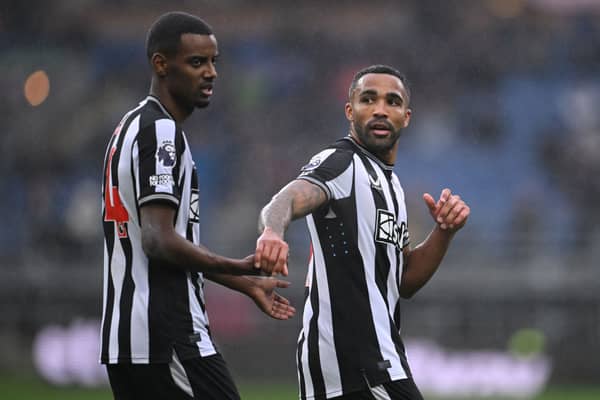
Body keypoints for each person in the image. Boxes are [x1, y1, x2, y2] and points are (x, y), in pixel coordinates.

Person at [100, 12, 294, 400]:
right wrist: (235, 266)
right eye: (196, 62)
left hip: (131, 339)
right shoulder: (160, 130)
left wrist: (244, 284)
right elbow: (158, 241)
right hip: (168, 335)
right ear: (161, 64)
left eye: (213, 62)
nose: (211, 73)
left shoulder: (131, 127)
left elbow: (168, 242)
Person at [255, 65, 470, 400]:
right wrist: (272, 231)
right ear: (350, 110)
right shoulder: (341, 163)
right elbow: (286, 198)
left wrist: (443, 232)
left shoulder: (393, 187)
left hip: (372, 361)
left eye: (392, 101)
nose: (380, 109)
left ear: (406, 116)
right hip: (357, 364)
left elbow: (404, 282)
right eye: (368, 99)